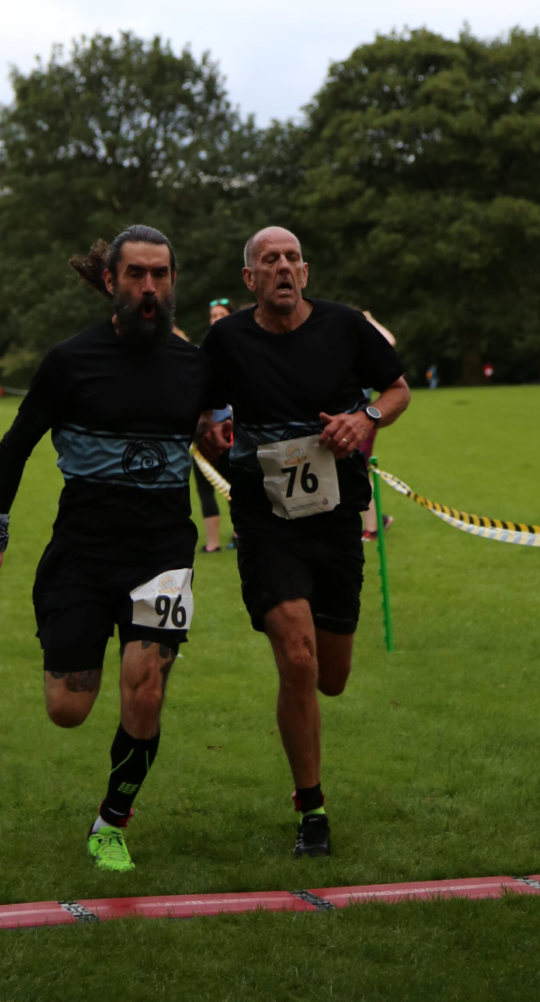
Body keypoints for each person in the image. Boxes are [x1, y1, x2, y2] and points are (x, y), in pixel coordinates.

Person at [0, 226, 215, 873]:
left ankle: (111, 822)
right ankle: (70, 635)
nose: (150, 288)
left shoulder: (193, 366)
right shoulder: (70, 362)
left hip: (162, 552)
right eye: (136, 275)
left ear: (173, 280)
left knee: (146, 690)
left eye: (160, 274)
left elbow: (221, 435)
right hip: (81, 552)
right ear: (111, 282)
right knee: (67, 708)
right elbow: (16, 443)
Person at [199, 227, 410, 858]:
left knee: (332, 676)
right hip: (265, 520)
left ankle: (310, 752)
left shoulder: (345, 327)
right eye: (270, 260)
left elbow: (397, 390)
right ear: (251, 279)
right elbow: (201, 408)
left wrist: (364, 417)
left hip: (337, 517)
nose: (283, 267)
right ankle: (311, 808)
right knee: (296, 655)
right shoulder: (227, 339)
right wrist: (208, 428)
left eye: (292, 259)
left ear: (306, 272)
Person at [193, 299, 236, 552]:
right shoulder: (204, 350)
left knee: (235, 484)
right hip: (203, 431)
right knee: (204, 486)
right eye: (212, 314)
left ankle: (240, 534)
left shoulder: (239, 350)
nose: (215, 318)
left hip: (232, 430)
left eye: (221, 314)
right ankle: (212, 544)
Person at [355, 310, 396, 543]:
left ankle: (372, 527)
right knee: (353, 472)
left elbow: (389, 341)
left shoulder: (363, 352)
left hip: (363, 418)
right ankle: (377, 519)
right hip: (342, 418)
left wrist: (369, 320)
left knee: (360, 471)